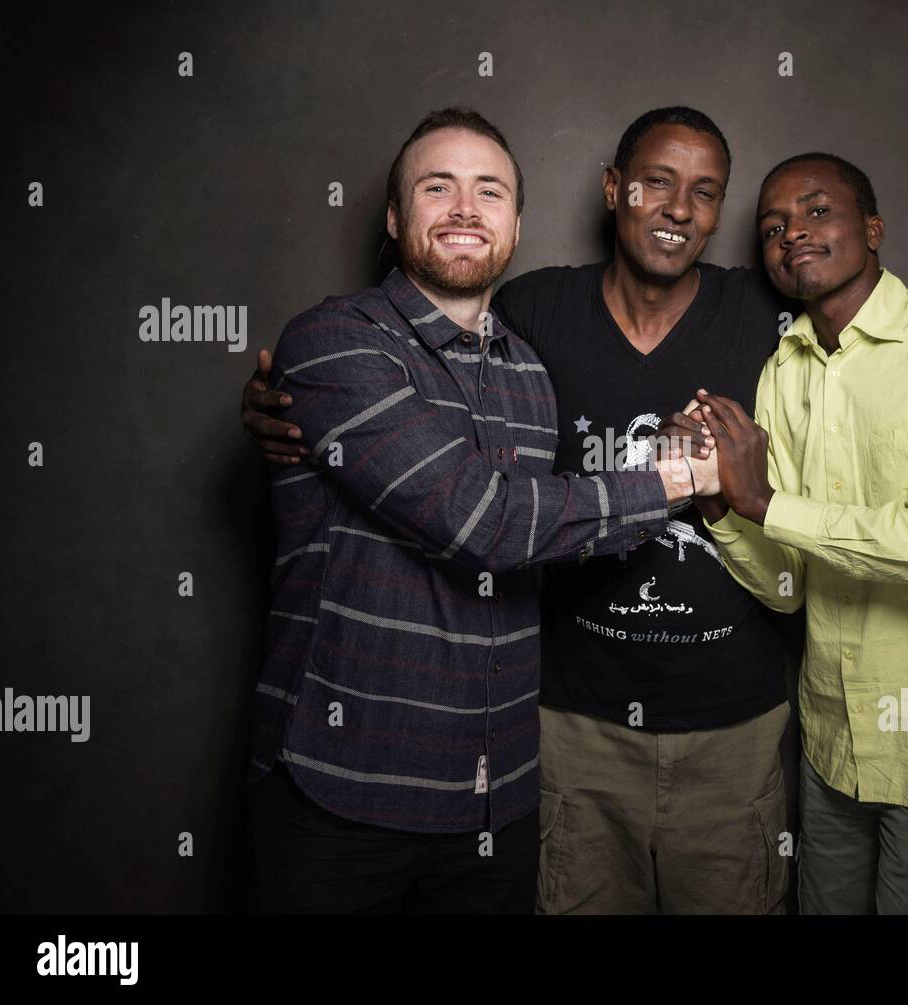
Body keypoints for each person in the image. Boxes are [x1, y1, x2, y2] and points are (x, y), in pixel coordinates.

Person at [242, 108, 908, 914]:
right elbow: (464, 479)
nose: (679, 208)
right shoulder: (527, 317)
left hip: (723, 731)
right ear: (613, 189)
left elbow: (856, 306)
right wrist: (292, 404)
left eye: (705, 192)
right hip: (554, 734)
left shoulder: (766, 318)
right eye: (657, 181)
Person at [244, 106, 718, 915]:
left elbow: (547, 526)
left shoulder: (529, 374)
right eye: (439, 187)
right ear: (396, 218)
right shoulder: (334, 343)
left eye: (489, 191)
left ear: (516, 222)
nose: (466, 209)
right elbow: (485, 523)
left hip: (493, 806)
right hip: (341, 791)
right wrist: (680, 481)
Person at [678, 153, 908, 914]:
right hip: (837, 746)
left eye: (818, 211)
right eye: (774, 226)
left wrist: (767, 502)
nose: (793, 234)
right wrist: (722, 504)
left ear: (873, 228)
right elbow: (789, 586)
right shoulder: (784, 370)